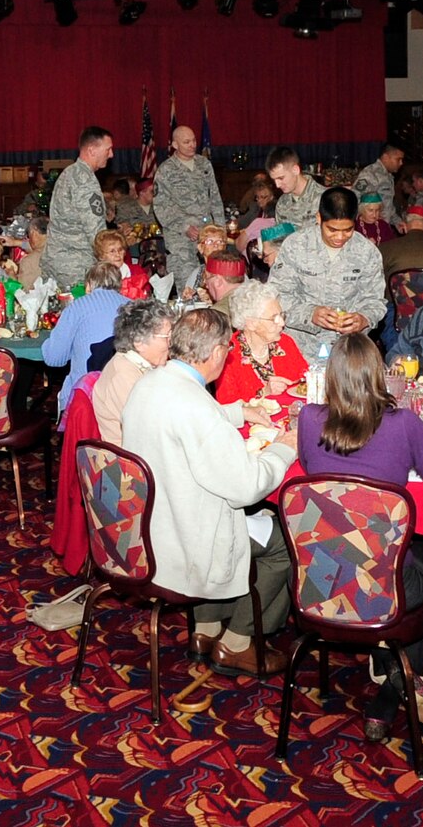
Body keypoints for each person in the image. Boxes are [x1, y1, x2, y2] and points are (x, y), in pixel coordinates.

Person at [296, 333, 423, 732]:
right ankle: (403, 682)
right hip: (381, 580)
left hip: (320, 576)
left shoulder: (307, 418)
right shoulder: (403, 424)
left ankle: (394, 682)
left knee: (398, 558)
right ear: (380, 377)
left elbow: (310, 471)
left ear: (331, 379)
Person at [121, 308, 298, 676]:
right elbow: (246, 488)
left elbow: (183, 420)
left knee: (235, 516)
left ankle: (204, 630)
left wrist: (239, 412)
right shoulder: (196, 408)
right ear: (217, 352)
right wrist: (286, 447)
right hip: (186, 540)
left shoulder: (150, 383)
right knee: (285, 540)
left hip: (150, 525)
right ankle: (238, 642)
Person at [268, 187, 386, 354]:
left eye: (347, 230)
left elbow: (375, 300)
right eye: (332, 230)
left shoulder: (367, 252)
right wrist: (310, 314)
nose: (339, 237)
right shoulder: (295, 246)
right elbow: (277, 296)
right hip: (301, 346)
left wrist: (364, 318)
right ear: (319, 218)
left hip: (347, 349)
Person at [41, 263, 126, 417]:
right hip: (124, 396)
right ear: (120, 285)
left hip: (84, 398)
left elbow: (54, 359)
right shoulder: (133, 307)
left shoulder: (76, 308)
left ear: (88, 286)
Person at [89, 299, 175, 443]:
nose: (171, 344)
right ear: (139, 342)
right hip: (129, 460)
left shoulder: (136, 364)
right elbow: (148, 434)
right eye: (167, 337)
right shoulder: (124, 376)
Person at [156, 125, 226, 290]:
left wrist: (221, 230)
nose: (192, 145)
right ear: (175, 145)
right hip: (181, 239)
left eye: (194, 140)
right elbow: (161, 207)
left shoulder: (204, 164)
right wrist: (184, 227)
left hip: (208, 235)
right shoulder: (166, 170)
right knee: (188, 286)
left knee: (214, 281)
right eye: (186, 142)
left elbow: (215, 198)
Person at [218, 281, 307, 405]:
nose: (282, 323)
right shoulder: (228, 354)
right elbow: (227, 407)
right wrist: (264, 392)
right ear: (251, 323)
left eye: (281, 315)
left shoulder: (285, 343)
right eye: (274, 318)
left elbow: (305, 382)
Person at [45, 126, 113, 287]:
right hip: (76, 266)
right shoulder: (85, 180)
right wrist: (111, 256)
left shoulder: (69, 172)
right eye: (108, 149)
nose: (111, 154)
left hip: (56, 258)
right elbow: (95, 230)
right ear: (92, 150)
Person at [267, 147, 326, 230]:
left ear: (295, 170)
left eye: (281, 178)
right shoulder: (282, 203)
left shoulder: (325, 198)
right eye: (274, 180)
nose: (277, 185)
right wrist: (266, 238)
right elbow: (279, 237)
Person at [92, 229, 150, 299]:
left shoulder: (137, 271)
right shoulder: (97, 276)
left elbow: (147, 295)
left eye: (120, 250)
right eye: (112, 251)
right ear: (101, 256)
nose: (117, 254)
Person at [351, 143, 404, 212]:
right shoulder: (370, 174)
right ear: (385, 158)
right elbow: (354, 198)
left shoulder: (389, 176)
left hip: (384, 222)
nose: (401, 163)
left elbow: (388, 208)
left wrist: (398, 221)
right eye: (398, 159)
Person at [201, 248, 246, 316]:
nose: (206, 285)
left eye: (207, 278)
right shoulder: (258, 299)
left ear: (218, 282)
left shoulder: (219, 312)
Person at [14, 215, 49, 287]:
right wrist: (14, 242)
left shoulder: (28, 261)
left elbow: (23, 292)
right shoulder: (58, 247)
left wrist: (12, 275)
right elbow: (34, 247)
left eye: (28, 235)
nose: (28, 239)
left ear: (33, 232)